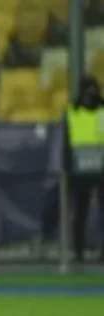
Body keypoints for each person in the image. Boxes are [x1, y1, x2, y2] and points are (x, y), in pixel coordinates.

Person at [65, 76, 104, 262]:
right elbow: (66, 142)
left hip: (102, 169)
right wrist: (66, 166)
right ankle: (78, 250)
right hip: (79, 169)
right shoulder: (72, 112)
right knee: (80, 211)